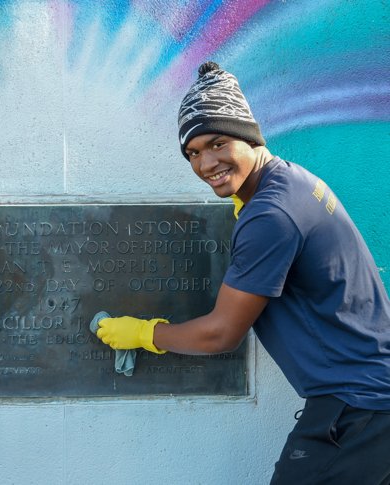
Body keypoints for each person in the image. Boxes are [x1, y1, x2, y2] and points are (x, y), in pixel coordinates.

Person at [95, 62, 390, 484]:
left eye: (217, 143)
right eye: (193, 152)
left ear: (249, 136)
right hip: (370, 399)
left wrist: (144, 333)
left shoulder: (270, 214)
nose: (206, 163)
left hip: (357, 408)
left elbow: (221, 333)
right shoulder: (293, 183)